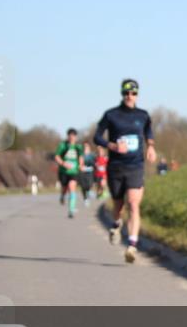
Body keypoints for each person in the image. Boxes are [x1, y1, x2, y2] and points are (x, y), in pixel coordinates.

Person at [93, 79, 156, 263]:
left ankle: (132, 246)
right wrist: (112, 146)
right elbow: (97, 137)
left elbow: (148, 132)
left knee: (134, 204)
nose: (130, 96)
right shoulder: (111, 115)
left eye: (133, 93)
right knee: (118, 205)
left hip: (135, 166)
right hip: (116, 167)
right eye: (126, 93)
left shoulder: (143, 115)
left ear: (137, 95)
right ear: (122, 94)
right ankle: (116, 224)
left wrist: (151, 147)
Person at [54, 129, 85, 219]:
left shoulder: (78, 147)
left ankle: (71, 210)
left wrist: (81, 165)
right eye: (70, 135)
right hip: (63, 171)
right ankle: (62, 196)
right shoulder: (63, 145)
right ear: (68, 136)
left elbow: (81, 157)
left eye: (73, 136)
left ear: (76, 137)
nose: (72, 137)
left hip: (74, 171)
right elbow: (57, 156)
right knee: (64, 189)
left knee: (72, 188)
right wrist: (63, 163)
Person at [79, 143, 96, 207]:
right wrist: (80, 166)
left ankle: (89, 193)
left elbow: (96, 162)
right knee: (83, 187)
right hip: (82, 172)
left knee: (89, 184)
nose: (85, 148)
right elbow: (79, 163)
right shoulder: (81, 155)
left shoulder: (92, 155)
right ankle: (85, 199)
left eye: (87, 147)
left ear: (89, 148)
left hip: (90, 172)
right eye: (84, 147)